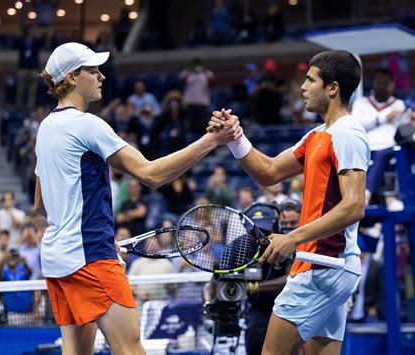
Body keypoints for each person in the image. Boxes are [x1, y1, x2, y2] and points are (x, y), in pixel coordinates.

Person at [34, 42, 241, 354]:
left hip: (57, 259)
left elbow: (40, 207)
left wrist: (95, 236)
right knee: (131, 350)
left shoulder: (45, 128)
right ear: (73, 77)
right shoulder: (87, 124)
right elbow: (152, 175)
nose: (101, 76)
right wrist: (213, 140)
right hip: (90, 255)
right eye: (93, 70)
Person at [210, 50, 370, 354]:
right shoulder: (317, 136)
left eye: (311, 80)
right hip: (329, 266)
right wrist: (235, 137)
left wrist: (292, 238)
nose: (302, 87)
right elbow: (269, 172)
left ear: (332, 88)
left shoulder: (347, 133)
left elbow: (354, 205)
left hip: (322, 267)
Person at [243, 200, 301, 355]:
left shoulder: (289, 244)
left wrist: (254, 287)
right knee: (255, 335)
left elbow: (292, 278)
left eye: (293, 222)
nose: (260, 235)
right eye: (254, 231)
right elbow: (215, 281)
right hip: (258, 308)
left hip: (289, 306)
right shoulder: (240, 246)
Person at [351, 68, 406, 205]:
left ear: (392, 85)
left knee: (382, 156)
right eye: (379, 82)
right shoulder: (361, 102)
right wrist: (384, 118)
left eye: (385, 83)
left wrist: (411, 119)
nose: (381, 85)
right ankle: (388, 200)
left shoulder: (399, 104)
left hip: (389, 147)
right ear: (373, 83)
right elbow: (357, 125)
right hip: (366, 147)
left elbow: (404, 126)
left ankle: (367, 195)